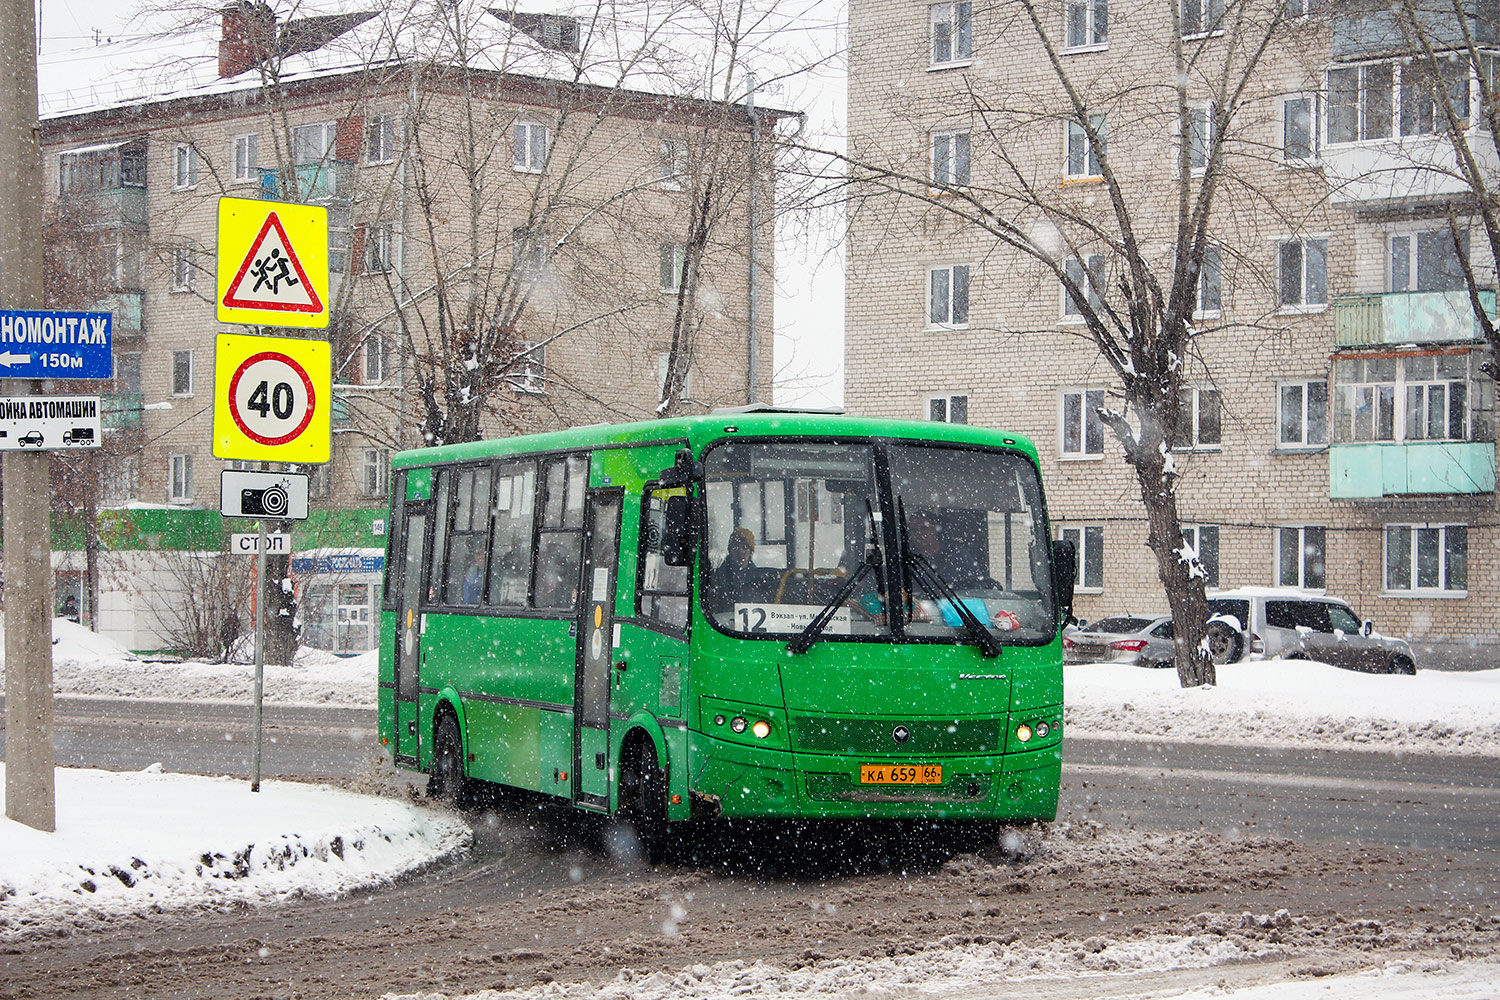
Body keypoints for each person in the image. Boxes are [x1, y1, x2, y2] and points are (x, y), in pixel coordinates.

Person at [710, 527, 759, 611]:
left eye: (745, 547)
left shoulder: (758, 578)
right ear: (730, 550)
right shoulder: (716, 578)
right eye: (736, 548)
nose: (741, 551)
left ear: (751, 552)